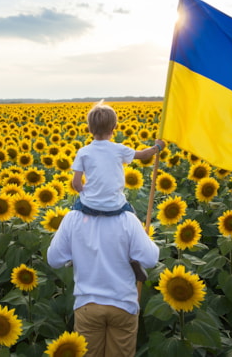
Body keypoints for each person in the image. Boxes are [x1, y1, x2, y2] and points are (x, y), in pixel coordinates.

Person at [47, 101, 162, 356]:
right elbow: (151, 259)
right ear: (115, 127)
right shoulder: (129, 220)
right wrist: (157, 147)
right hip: (123, 305)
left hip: (87, 306)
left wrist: (73, 256)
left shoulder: (73, 219)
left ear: (89, 128)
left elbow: (54, 259)